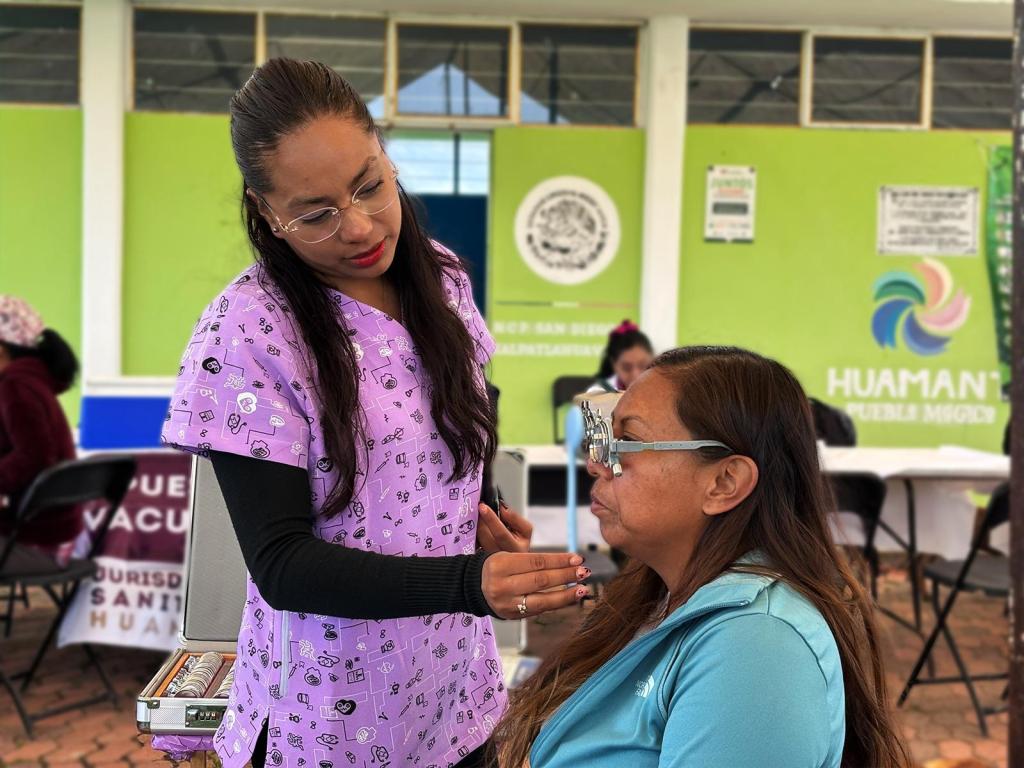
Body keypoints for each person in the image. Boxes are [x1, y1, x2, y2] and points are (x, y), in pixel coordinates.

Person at [161, 58, 587, 768]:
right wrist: (467, 583)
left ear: (387, 157)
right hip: (327, 715)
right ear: (266, 212)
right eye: (316, 213)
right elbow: (282, 563)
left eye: (370, 186)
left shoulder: (440, 278)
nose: (359, 227)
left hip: (452, 691)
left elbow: (460, 425)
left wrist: (488, 516)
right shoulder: (247, 333)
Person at [495, 346, 911, 768]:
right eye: (603, 439)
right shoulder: (665, 592)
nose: (597, 464)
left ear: (725, 482)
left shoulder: (756, 646)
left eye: (627, 442)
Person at [0, 295, 79, 564]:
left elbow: (34, 457)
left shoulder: (15, 385)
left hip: (32, 529)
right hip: (53, 522)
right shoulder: (31, 380)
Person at [587, 320, 653, 393]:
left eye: (643, 365)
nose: (636, 375)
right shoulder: (597, 393)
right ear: (614, 365)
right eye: (626, 368)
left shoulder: (661, 389)